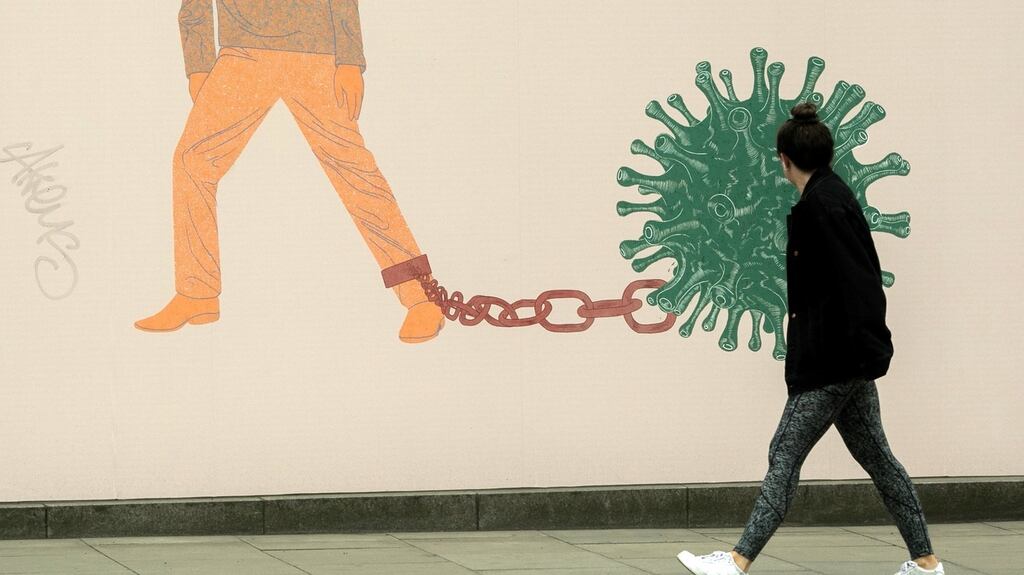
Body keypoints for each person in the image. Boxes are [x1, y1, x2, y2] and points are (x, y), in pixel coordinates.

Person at [676, 103, 943, 575]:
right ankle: (925, 563)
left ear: (783, 159)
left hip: (832, 361)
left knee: (784, 454)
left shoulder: (823, 206)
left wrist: (862, 351)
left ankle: (736, 562)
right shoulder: (829, 197)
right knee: (879, 460)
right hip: (847, 359)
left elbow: (858, 282)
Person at [135, 0, 444, 343]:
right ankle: (197, 294)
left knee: (355, 172)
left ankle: (419, 297)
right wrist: (198, 67)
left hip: (315, 53)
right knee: (192, 161)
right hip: (243, 54)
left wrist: (350, 60)